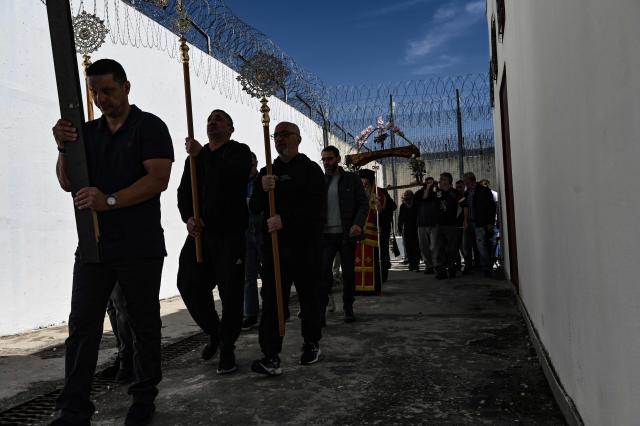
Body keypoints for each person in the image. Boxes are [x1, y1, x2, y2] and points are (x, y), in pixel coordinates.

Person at [50, 59, 173, 426]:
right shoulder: (87, 133)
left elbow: (158, 180)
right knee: (83, 326)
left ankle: (142, 399)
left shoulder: (150, 127)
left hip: (140, 244)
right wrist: (62, 149)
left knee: (142, 323)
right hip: (94, 245)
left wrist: (111, 200)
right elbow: (67, 182)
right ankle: (73, 409)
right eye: (96, 92)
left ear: (126, 86)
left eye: (108, 90)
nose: (102, 98)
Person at [177, 109, 252, 375]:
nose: (212, 122)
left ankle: (228, 348)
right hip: (201, 235)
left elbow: (233, 179)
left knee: (231, 293)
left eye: (219, 119)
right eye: (209, 119)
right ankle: (216, 333)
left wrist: (203, 154)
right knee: (188, 283)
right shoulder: (193, 160)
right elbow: (184, 192)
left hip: (229, 235)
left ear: (230, 129)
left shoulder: (239, 152)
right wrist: (188, 218)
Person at [249, 122, 325, 376]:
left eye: (285, 134)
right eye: (276, 135)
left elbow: (317, 209)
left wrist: (286, 219)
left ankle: (311, 342)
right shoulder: (268, 171)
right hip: (275, 249)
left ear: (298, 139)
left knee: (309, 297)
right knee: (271, 300)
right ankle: (270, 355)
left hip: (305, 247)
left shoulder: (311, 170)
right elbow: (256, 208)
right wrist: (262, 189)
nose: (279, 139)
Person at [319, 145, 369, 323]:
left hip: (346, 235)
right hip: (326, 236)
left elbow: (363, 204)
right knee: (323, 273)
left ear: (338, 159)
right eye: (323, 159)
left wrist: (357, 224)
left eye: (330, 158)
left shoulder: (351, 179)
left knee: (348, 273)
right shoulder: (319, 181)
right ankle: (323, 308)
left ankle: (348, 307)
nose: (326, 162)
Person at [432, 173, 467, 279]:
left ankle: (452, 270)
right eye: (440, 179)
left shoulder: (455, 193)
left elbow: (465, 205)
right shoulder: (438, 192)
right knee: (439, 249)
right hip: (439, 225)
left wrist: (465, 220)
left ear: (447, 181)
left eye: (442, 179)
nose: (440, 181)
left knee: (452, 249)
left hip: (451, 225)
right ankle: (441, 272)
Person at [243, 152, 263, 330]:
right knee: (248, 276)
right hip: (246, 233)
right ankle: (250, 314)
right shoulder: (238, 183)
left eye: (251, 163)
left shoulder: (262, 180)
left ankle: (275, 308)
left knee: (270, 273)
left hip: (262, 231)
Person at [462, 172, 497, 277]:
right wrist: (465, 220)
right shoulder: (467, 192)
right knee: (466, 246)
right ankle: (469, 266)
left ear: (472, 181)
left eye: (466, 182)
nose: (465, 184)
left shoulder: (484, 191)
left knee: (481, 246)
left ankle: (486, 268)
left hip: (480, 223)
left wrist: (490, 222)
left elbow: (491, 207)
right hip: (469, 222)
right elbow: (466, 206)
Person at [414, 177, 439, 274]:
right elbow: (424, 197)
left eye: (431, 183)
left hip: (433, 223)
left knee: (434, 246)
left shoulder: (436, 193)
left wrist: (436, 187)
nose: (430, 184)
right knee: (424, 247)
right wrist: (428, 188)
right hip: (422, 224)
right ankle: (429, 266)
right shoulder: (419, 193)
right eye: (428, 183)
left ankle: (436, 265)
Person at [397, 190, 420, 272]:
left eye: (408, 196)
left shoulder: (416, 205)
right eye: (405, 196)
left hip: (416, 229)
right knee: (408, 247)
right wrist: (399, 228)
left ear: (412, 197)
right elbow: (400, 218)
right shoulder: (403, 206)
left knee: (416, 247)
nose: (406, 198)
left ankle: (416, 264)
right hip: (406, 229)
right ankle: (411, 264)